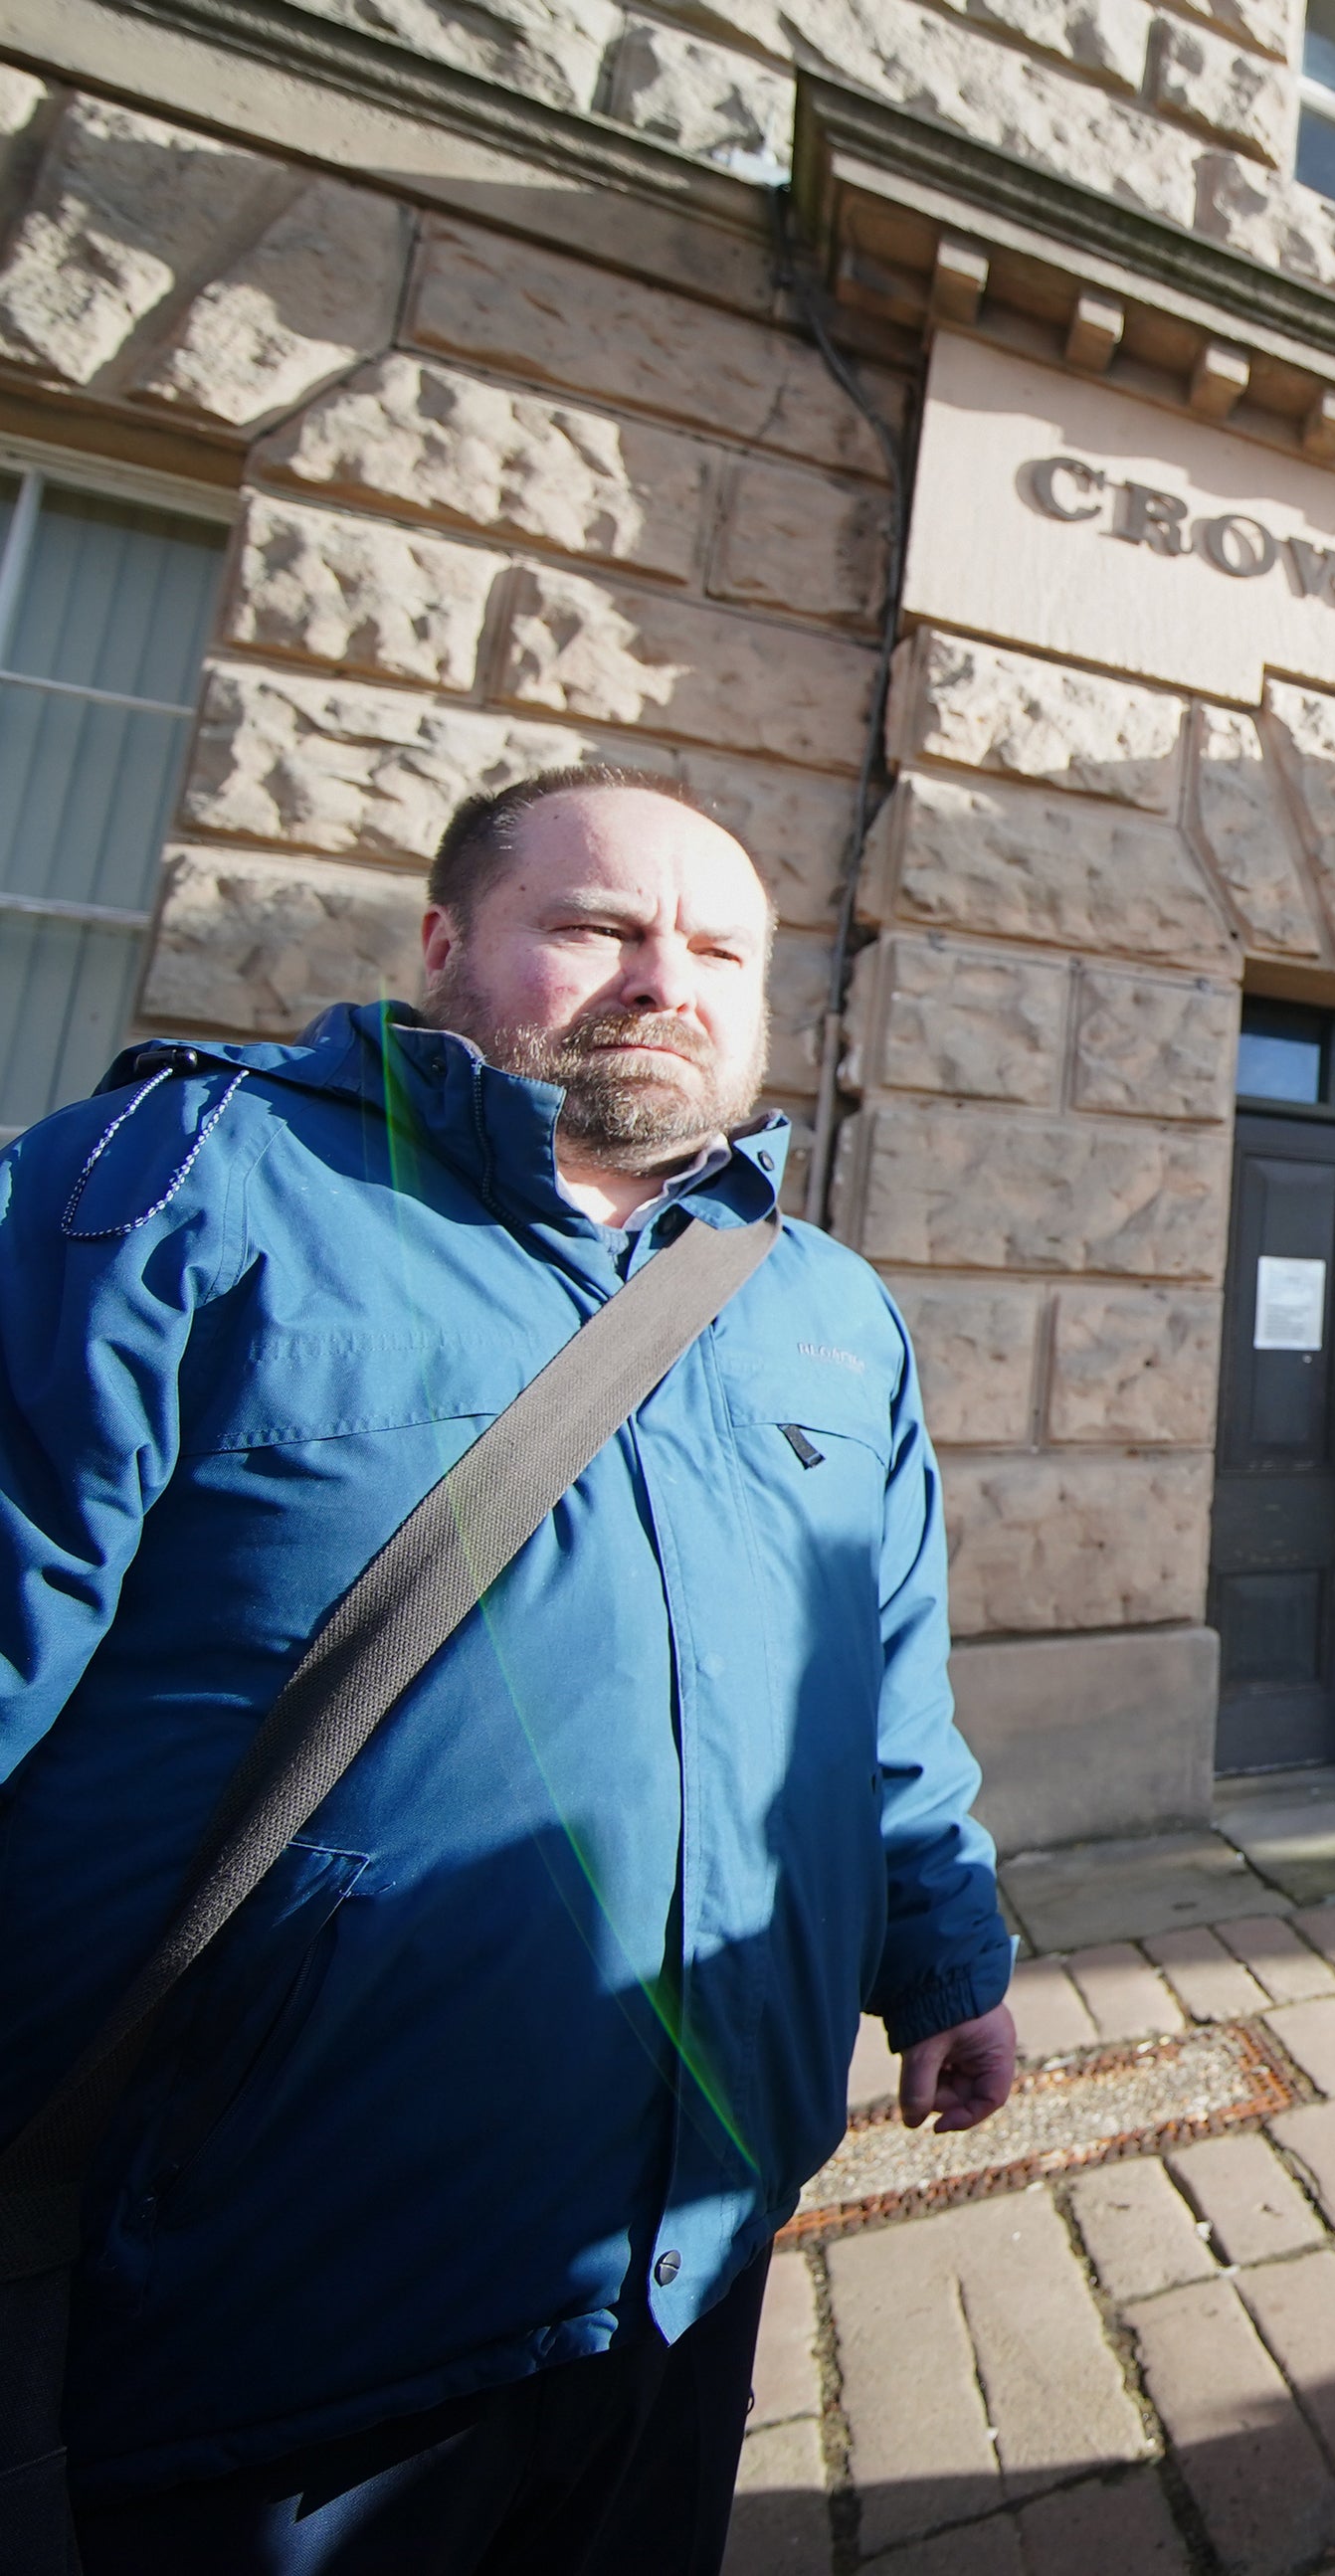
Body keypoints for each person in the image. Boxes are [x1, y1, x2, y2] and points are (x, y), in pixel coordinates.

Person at [0, 767, 1016, 2572]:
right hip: (267, 2302)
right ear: (447, 941)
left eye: (718, 947)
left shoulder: (825, 1310)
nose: (663, 981)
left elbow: (878, 1678)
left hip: (683, 2263)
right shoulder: (167, 1196)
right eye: (597, 928)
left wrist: (946, 1954)